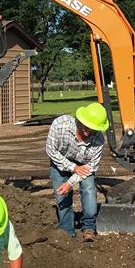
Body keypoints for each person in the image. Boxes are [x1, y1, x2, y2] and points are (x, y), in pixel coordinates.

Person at [46, 101, 109, 240]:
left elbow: (91, 166)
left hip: (84, 164)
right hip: (60, 160)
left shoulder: (98, 139)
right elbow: (51, 150)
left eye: (93, 128)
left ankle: (89, 227)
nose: (89, 131)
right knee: (62, 194)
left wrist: (70, 182)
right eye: (87, 126)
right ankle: (67, 230)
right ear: (81, 120)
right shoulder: (60, 125)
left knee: (89, 189)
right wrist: (73, 168)